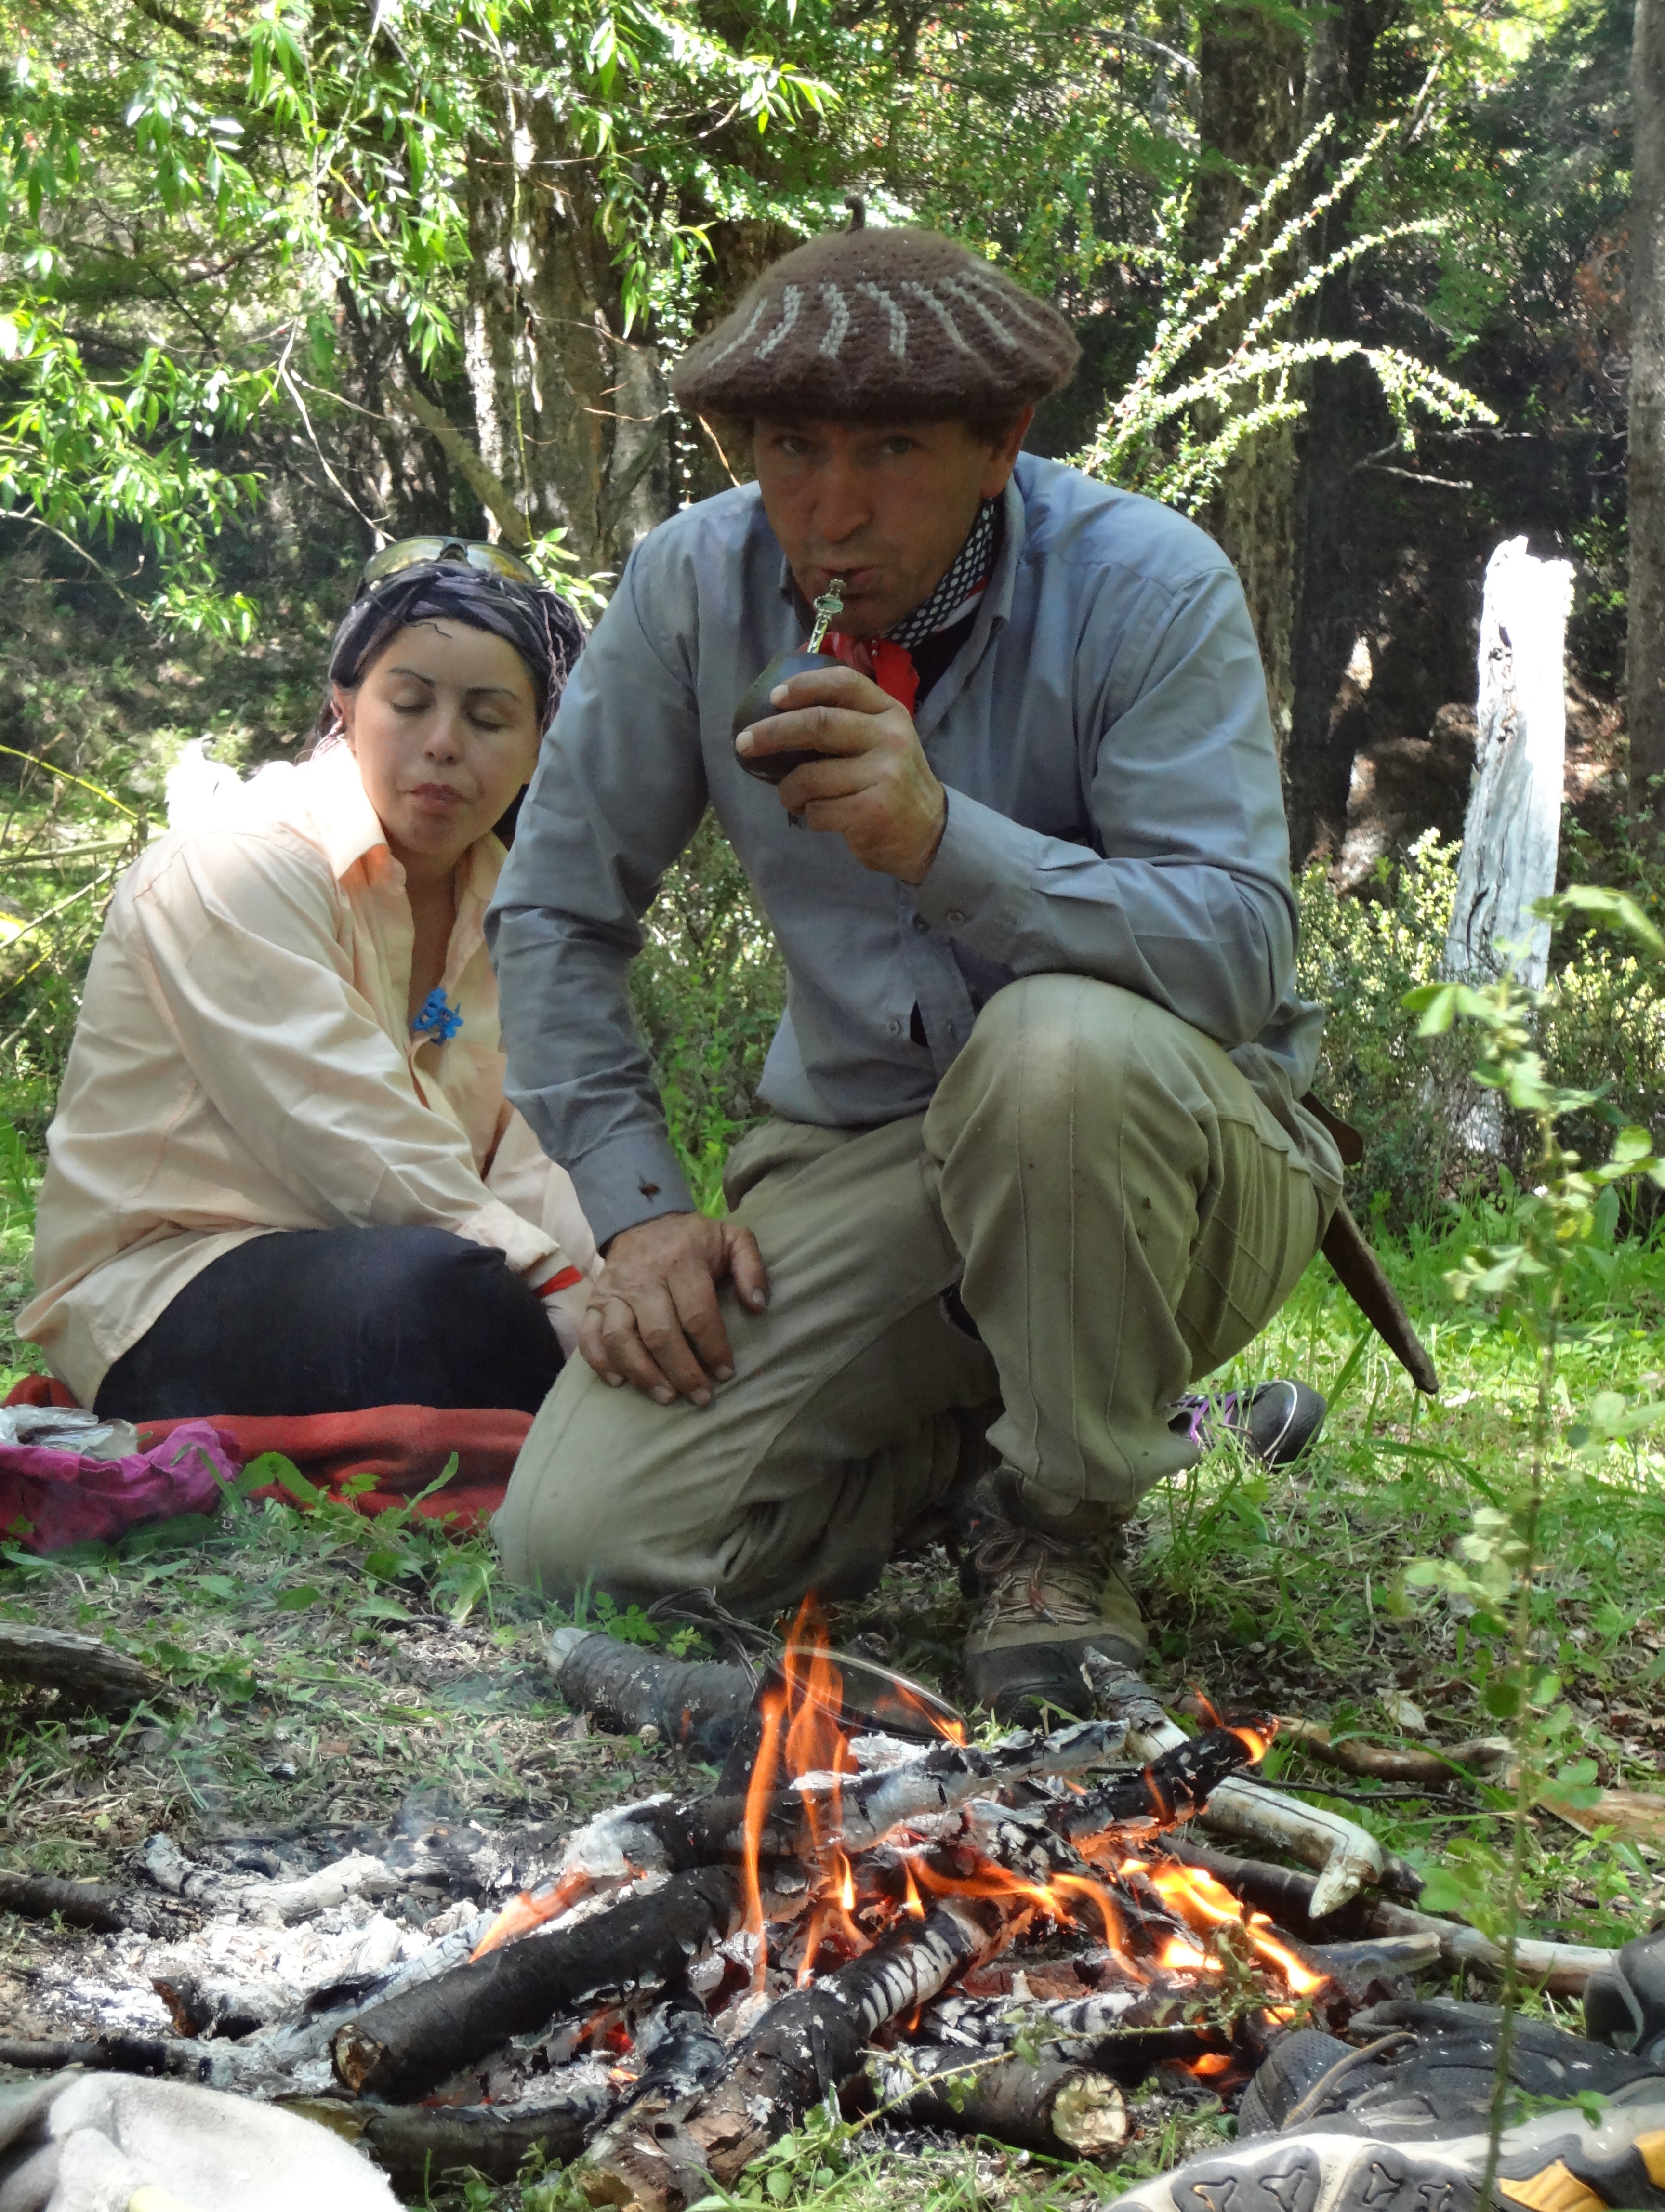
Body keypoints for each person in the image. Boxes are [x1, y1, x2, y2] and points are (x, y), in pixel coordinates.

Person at [487, 224, 1346, 1723]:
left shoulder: (1149, 586)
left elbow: (1235, 950)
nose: (832, 511)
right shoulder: (691, 587)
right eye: (792, 450)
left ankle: (1059, 1529)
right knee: (585, 1548)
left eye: (891, 450)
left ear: (1002, 443)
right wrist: (639, 1214)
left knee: (1053, 1051)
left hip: (1174, 1163)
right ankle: (983, 1452)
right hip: (875, 1164)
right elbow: (556, 910)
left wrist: (945, 843)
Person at [21, 541, 594, 1422]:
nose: (443, 745)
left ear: (539, 747)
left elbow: (540, 1152)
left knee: (664, 1295)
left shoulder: (519, 911)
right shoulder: (236, 862)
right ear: (345, 705)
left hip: (425, 1252)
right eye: (409, 704)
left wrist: (609, 1283)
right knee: (437, 1297)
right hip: (166, 1284)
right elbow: (338, 1124)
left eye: (488, 720)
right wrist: (552, 1281)